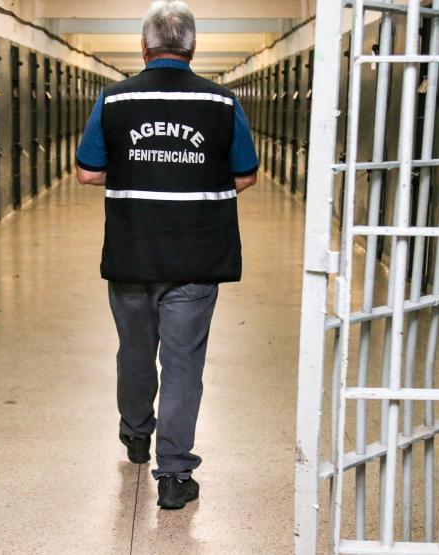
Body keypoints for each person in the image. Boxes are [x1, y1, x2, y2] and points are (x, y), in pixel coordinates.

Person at [74, 0, 258, 510]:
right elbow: (245, 174)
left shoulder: (112, 101)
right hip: (197, 257)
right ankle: (175, 475)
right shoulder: (222, 104)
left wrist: (141, 174)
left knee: (134, 351)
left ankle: (136, 434)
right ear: (193, 47)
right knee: (182, 366)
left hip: (132, 254)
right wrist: (190, 177)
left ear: (144, 46)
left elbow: (88, 171)